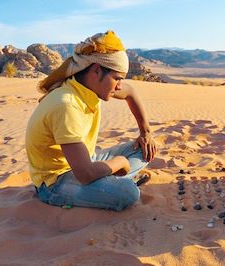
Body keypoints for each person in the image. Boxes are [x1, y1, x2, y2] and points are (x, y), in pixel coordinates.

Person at [26, 30, 157, 211]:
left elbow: (131, 93)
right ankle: (115, 182)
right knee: (128, 193)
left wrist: (146, 133)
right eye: (117, 78)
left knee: (145, 150)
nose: (119, 86)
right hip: (56, 181)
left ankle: (108, 181)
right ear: (96, 70)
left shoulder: (90, 86)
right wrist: (120, 162)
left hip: (86, 159)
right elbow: (85, 174)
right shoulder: (67, 104)